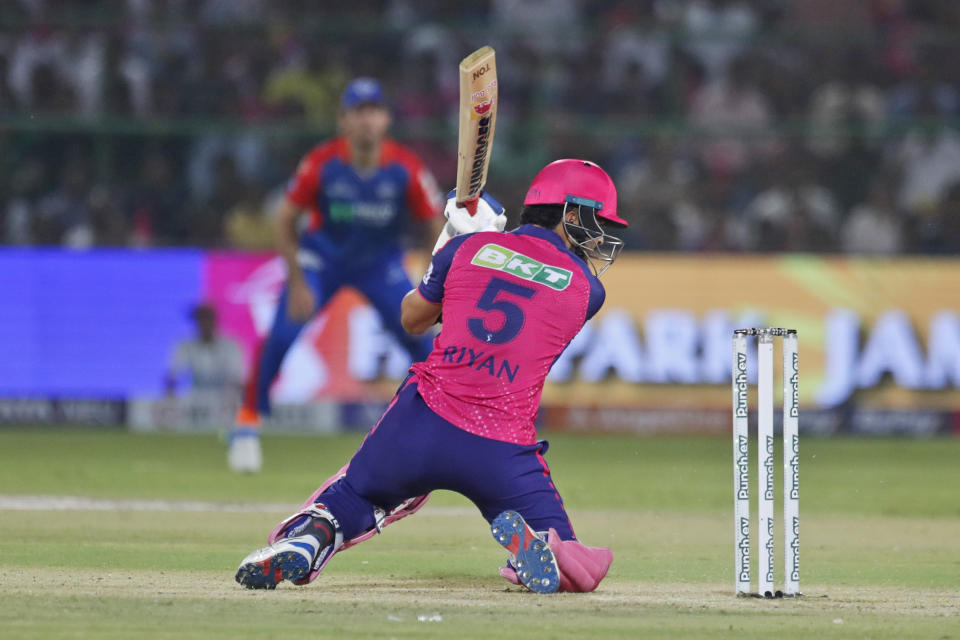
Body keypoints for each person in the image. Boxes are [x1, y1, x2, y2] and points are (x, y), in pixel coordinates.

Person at [235, 159, 627, 594]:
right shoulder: (587, 290)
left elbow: (413, 320)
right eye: (597, 221)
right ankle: (531, 548)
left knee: (354, 495)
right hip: (500, 448)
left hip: (420, 420)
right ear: (570, 215)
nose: (601, 236)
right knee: (573, 564)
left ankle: (309, 540)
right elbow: (526, 286)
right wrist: (478, 242)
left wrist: (452, 243)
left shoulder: (465, 251)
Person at [228, 77, 444, 473]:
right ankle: (247, 421)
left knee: (421, 341)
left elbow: (434, 223)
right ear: (343, 120)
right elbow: (285, 220)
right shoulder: (322, 163)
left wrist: (436, 281)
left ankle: (444, 426)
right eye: (358, 112)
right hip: (321, 261)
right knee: (281, 334)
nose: (366, 121)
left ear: (386, 120)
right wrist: (295, 280)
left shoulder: (406, 168)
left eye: (374, 112)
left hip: (379, 265)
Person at [166, 303, 245, 398]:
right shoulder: (185, 346)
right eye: (200, 319)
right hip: (196, 401)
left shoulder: (230, 346)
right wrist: (171, 399)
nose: (204, 323)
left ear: (214, 320)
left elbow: (238, 378)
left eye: (207, 318)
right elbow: (173, 375)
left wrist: (239, 402)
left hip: (225, 401)